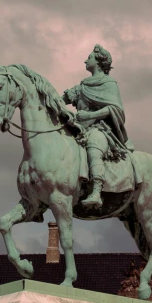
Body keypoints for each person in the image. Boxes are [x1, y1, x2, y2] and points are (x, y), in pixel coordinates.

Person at [63, 45, 135, 208]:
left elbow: (116, 109)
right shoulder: (82, 86)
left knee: (93, 146)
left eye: (89, 57)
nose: (85, 60)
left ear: (99, 61)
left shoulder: (109, 83)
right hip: (79, 128)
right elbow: (61, 99)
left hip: (100, 129)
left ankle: (96, 191)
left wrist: (90, 115)